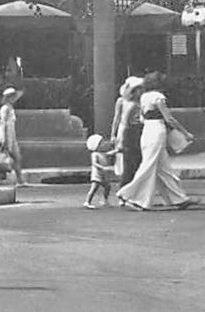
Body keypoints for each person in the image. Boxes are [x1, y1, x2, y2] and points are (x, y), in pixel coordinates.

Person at [116, 72, 198, 211]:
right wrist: (185, 133)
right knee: (149, 166)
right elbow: (169, 118)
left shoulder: (144, 97)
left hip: (147, 131)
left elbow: (143, 117)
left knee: (163, 167)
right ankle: (129, 195)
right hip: (157, 130)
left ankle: (178, 198)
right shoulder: (158, 97)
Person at [110, 76, 144, 184]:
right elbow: (117, 118)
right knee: (122, 153)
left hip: (136, 129)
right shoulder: (121, 101)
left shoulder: (140, 101)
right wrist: (113, 134)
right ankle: (123, 177)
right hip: (124, 128)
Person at [0, 86, 24, 185]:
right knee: (0, 158)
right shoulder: (5, 108)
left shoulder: (10, 108)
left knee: (17, 157)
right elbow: (4, 124)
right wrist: (5, 139)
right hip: (5, 136)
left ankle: (20, 180)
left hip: (11, 136)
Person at [84, 133, 118, 208]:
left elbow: (109, 154)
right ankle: (87, 201)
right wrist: (102, 167)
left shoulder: (102, 154)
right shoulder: (95, 154)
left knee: (107, 187)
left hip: (103, 175)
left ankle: (104, 200)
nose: (104, 144)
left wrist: (117, 150)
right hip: (97, 175)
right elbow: (94, 163)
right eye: (101, 143)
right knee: (94, 188)